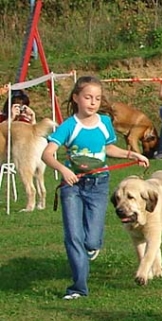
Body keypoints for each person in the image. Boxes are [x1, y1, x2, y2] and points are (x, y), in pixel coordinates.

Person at [41, 76, 149, 300]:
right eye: (88, 97)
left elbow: (109, 148)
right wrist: (64, 170)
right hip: (72, 186)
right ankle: (78, 287)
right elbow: (47, 154)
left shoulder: (104, 123)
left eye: (97, 98)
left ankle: (91, 249)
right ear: (76, 98)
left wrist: (133, 154)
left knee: (91, 241)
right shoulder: (69, 125)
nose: (92, 102)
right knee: (73, 236)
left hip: (98, 185)